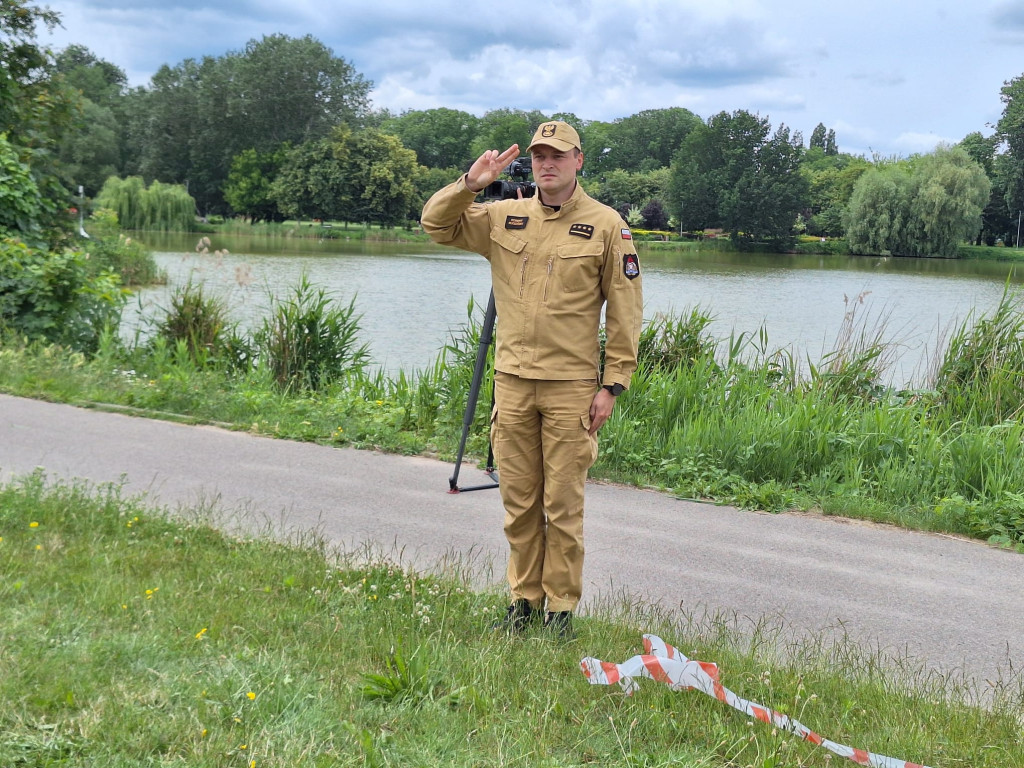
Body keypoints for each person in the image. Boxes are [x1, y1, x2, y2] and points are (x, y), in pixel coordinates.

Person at [421, 120, 643, 639]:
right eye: (540, 155)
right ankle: (523, 603)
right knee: (519, 505)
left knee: (562, 506)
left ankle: (560, 611)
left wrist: (612, 385)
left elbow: (626, 312)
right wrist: (469, 185)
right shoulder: (504, 217)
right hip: (513, 386)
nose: (548, 163)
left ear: (578, 161)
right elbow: (436, 225)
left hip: (570, 389)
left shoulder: (608, 225)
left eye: (558, 155)